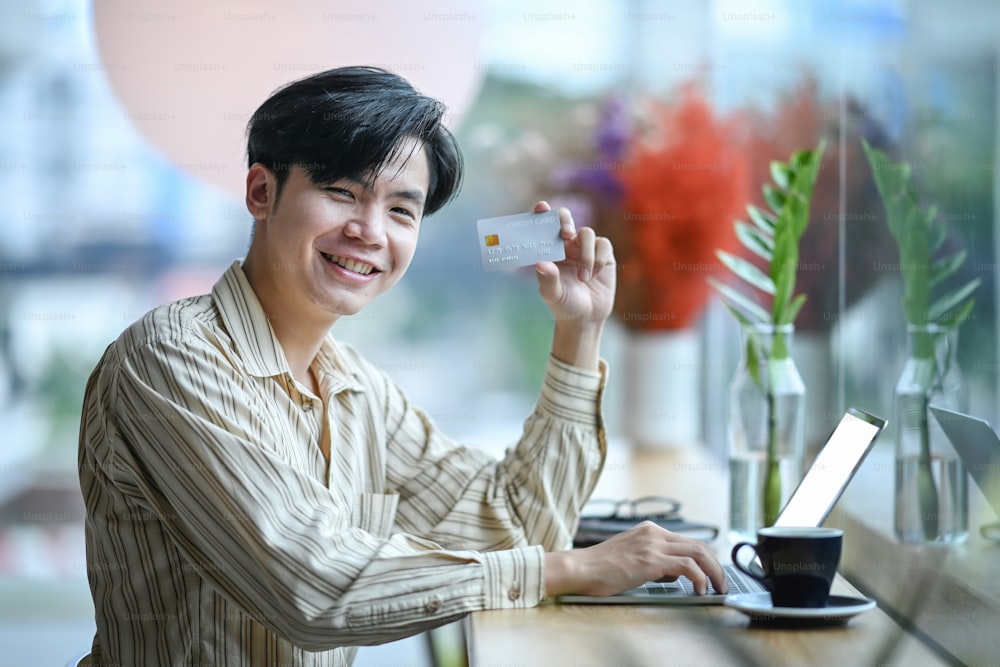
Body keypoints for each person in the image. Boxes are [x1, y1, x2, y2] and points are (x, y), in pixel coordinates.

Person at [78, 66, 726, 667]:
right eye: (340, 192)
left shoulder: (355, 387)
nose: (369, 230)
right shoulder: (170, 357)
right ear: (261, 190)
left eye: (400, 210)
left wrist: (578, 330)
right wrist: (568, 569)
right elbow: (311, 584)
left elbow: (513, 525)